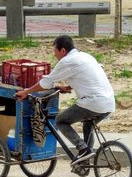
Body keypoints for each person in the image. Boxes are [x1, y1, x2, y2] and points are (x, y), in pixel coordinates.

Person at [16, 35, 115, 166]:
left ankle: (83, 149)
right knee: (88, 124)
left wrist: (26, 91)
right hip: (108, 103)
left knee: (60, 121)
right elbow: (88, 76)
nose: (55, 55)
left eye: (55, 52)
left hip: (92, 102)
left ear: (62, 50)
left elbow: (46, 83)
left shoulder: (67, 61)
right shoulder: (86, 56)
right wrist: (68, 87)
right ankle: (85, 163)